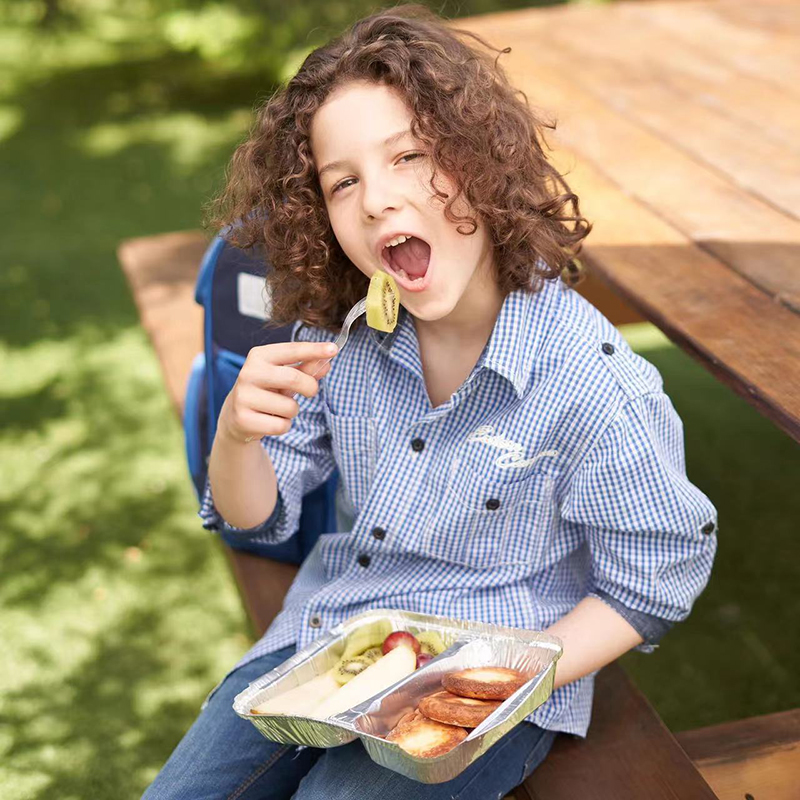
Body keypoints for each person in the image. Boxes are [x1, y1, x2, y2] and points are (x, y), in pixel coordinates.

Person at [143, 4, 718, 798]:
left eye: (408, 155)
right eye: (343, 182)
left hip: (493, 663)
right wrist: (237, 436)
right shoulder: (337, 340)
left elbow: (653, 576)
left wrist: (505, 682)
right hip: (334, 630)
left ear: (481, 160)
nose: (378, 200)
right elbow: (256, 517)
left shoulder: (590, 380)